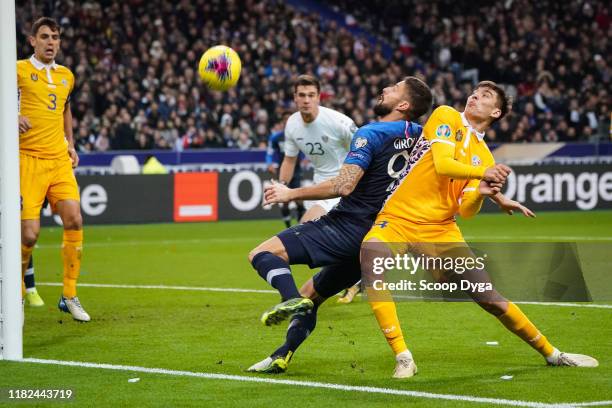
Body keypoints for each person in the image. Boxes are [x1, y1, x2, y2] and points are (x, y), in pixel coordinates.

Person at [359, 81, 597, 378]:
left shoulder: (484, 156)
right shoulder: (446, 116)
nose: (474, 96)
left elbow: (465, 211)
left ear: (495, 112)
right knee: (371, 258)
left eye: (485, 96)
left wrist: (481, 193)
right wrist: (482, 175)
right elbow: (444, 165)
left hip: (441, 229)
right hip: (397, 218)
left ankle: (552, 353)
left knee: (488, 297)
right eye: (474, 92)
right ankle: (403, 356)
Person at [246, 77, 433, 373]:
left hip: (346, 226)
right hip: (379, 238)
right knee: (312, 295)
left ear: (404, 104)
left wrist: (290, 193)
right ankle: (282, 354)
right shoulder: (423, 137)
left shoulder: (370, 132)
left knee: (261, 254)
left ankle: (289, 299)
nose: (385, 88)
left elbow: (344, 185)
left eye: (394, 88)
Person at [18, 17, 90, 322]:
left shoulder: (66, 76)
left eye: (56, 37)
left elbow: (65, 110)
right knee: (29, 235)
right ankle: (16, 294)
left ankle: (69, 295)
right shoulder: (17, 70)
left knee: (74, 218)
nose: (51, 42)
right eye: (45, 37)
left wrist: (71, 144)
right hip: (27, 159)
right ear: (32, 40)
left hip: (59, 159)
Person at [277, 75, 357, 222]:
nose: (306, 100)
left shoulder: (339, 122)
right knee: (316, 239)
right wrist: (282, 186)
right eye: (302, 95)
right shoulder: (292, 124)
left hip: (342, 184)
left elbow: (366, 148)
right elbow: (289, 161)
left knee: (304, 228)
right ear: (295, 97)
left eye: (311, 95)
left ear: (318, 97)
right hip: (318, 186)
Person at [265, 112, 305, 227]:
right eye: (285, 120)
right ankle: (288, 227)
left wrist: (306, 158)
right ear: (282, 122)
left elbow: (305, 149)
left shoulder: (299, 135)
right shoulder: (276, 137)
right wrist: (269, 163)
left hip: (297, 171)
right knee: (284, 201)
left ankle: (300, 225)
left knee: (299, 199)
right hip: (283, 171)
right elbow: (269, 152)